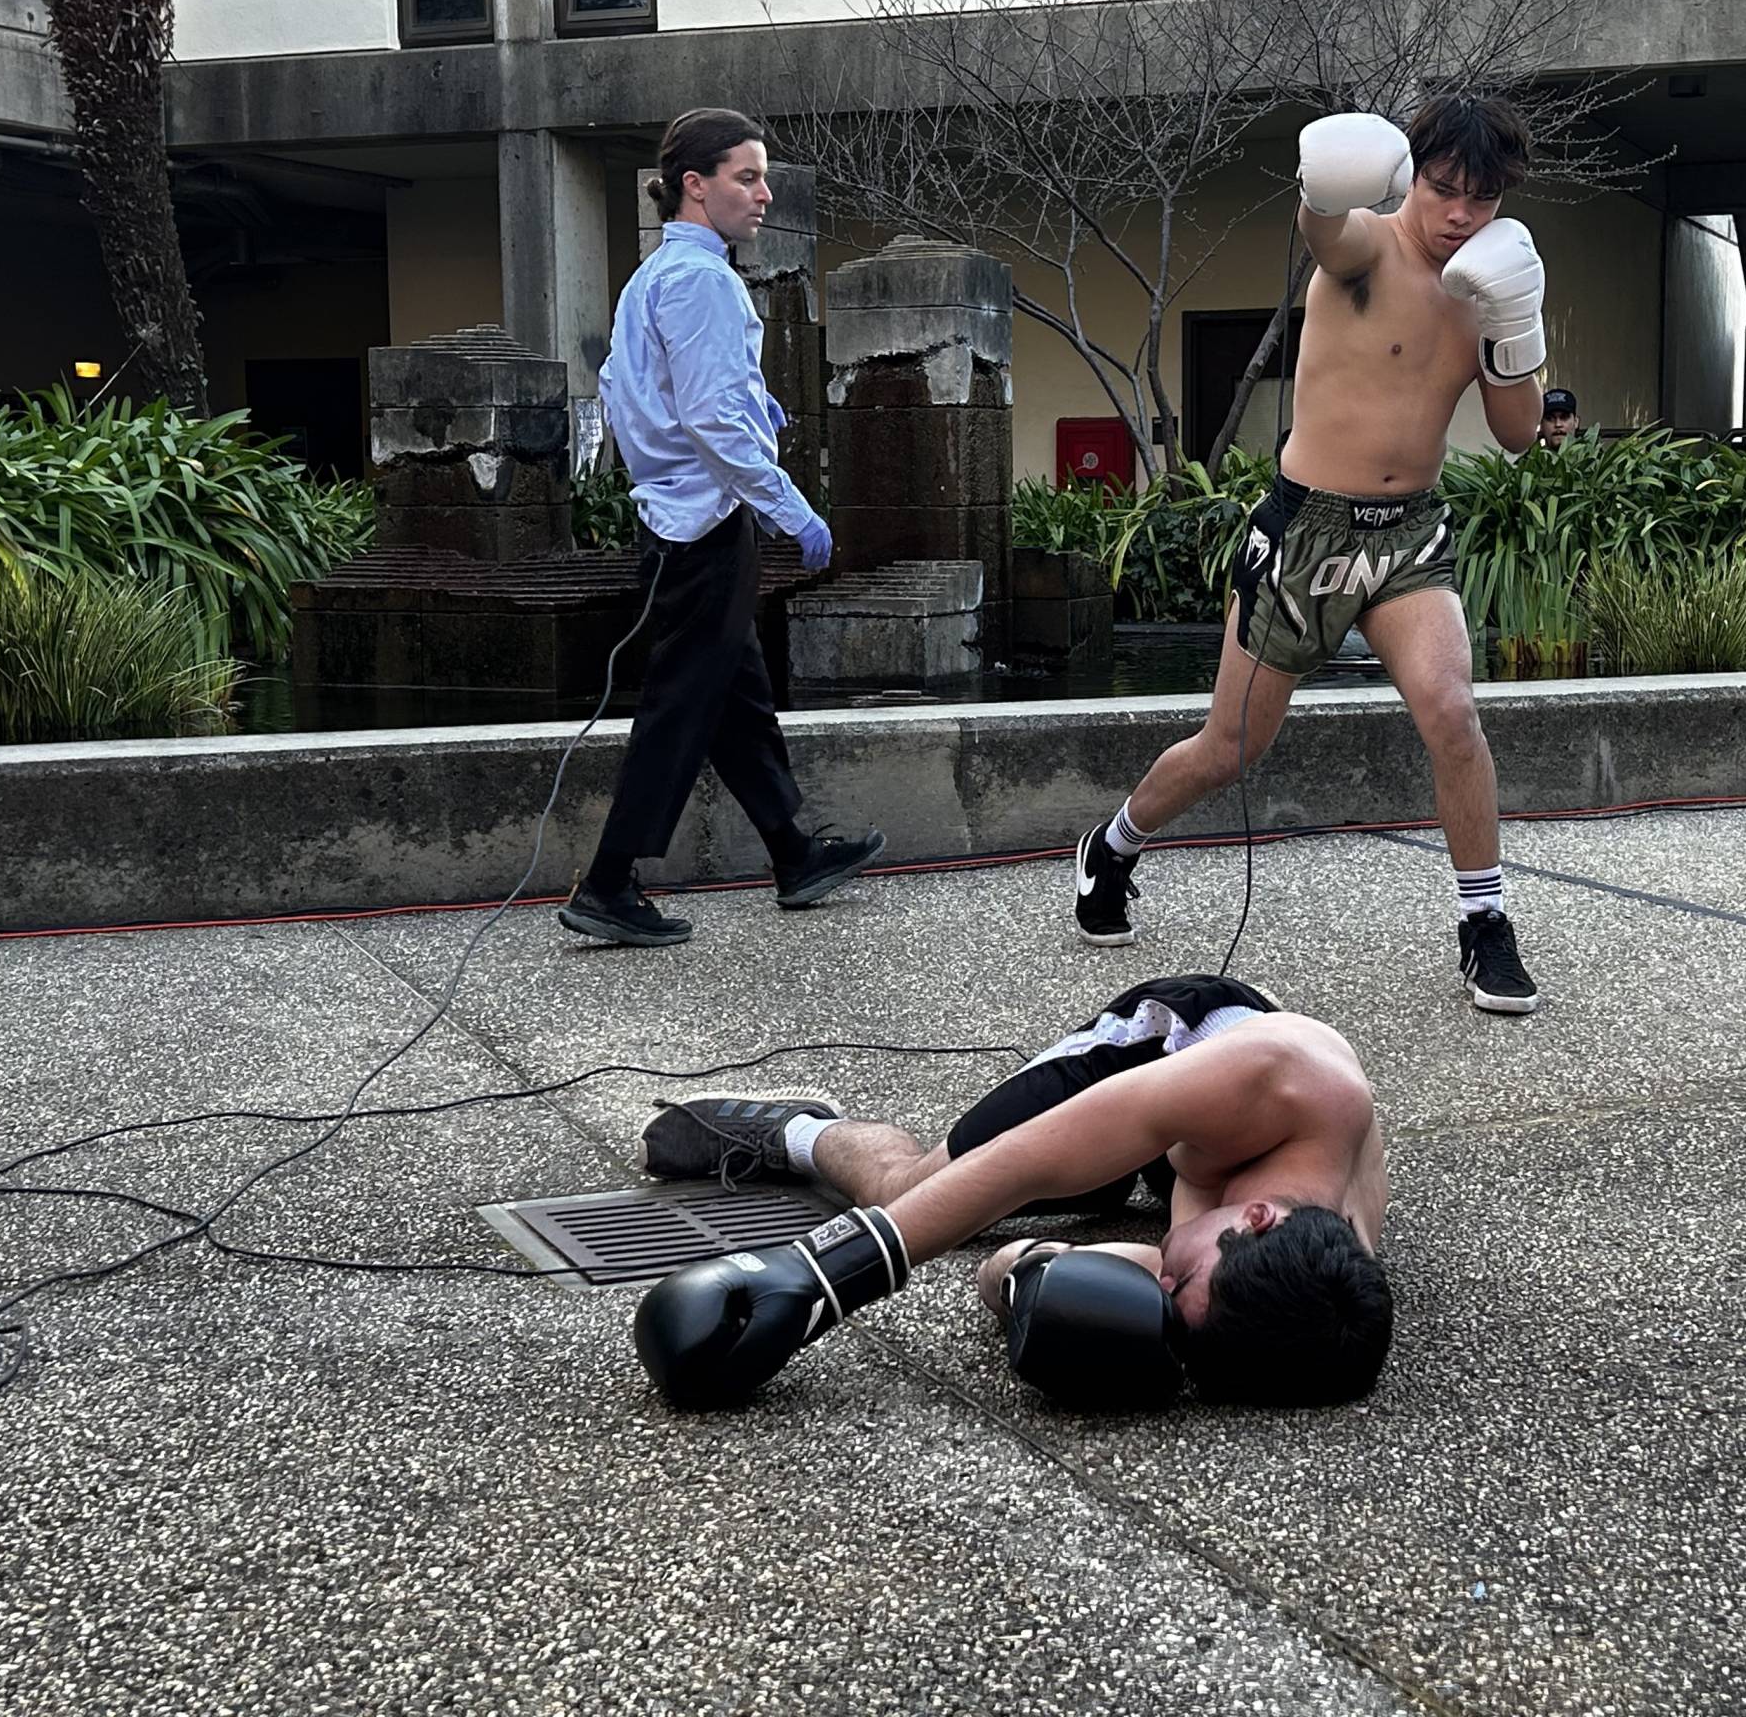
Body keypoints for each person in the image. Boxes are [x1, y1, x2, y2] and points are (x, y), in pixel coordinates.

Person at [1067, 94, 1549, 1014]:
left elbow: (1518, 432)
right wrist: (1323, 185)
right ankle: (1113, 845)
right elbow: (1325, 226)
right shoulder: (1369, 248)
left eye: (1478, 201)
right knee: (1230, 748)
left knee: (1452, 711)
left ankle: (1483, 922)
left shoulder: (1497, 275)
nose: (1457, 216)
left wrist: (1512, 330)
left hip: (1407, 537)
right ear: (1414, 178)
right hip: (1304, 532)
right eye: (1443, 191)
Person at [629, 974, 1395, 1409]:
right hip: (1171, 1053)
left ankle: (1108, 1186)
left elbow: (1023, 1273)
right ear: (1256, 1219)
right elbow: (1020, 1162)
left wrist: (1031, 1276)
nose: (1161, 1282)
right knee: (921, 1190)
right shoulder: (1286, 1085)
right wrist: (818, 1275)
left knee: (1005, 1234)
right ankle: (797, 1132)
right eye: (1178, 1281)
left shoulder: (1303, 1286)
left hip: (1196, 1158)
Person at [560, 108, 885, 948]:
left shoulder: (651, 279)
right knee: (683, 703)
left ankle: (792, 851)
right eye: (747, 176)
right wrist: (791, 508)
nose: (764, 193)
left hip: (675, 519)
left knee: (734, 692)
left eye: (762, 175)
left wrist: (745, 406)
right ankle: (607, 881)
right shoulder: (703, 280)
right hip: (703, 523)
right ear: (695, 187)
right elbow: (712, 419)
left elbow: (628, 397)